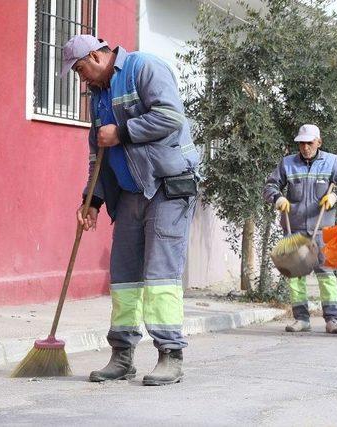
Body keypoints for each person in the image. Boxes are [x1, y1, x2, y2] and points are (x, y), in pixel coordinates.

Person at [61, 35, 199, 385]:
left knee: (160, 275)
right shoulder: (98, 96)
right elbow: (99, 155)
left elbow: (170, 117)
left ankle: (170, 355)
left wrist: (122, 132)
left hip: (168, 187)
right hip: (129, 193)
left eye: (80, 69)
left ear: (95, 55)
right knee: (123, 278)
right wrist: (92, 201)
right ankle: (122, 356)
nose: (82, 79)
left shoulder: (144, 67)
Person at [263, 124, 337, 334]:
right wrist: (278, 198)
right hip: (294, 228)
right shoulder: (287, 163)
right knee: (295, 275)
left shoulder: (333, 162)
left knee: (325, 274)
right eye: (301, 143)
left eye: (309, 143)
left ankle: (332, 319)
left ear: (319, 142)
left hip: (323, 230)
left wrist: (336, 196)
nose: (305, 147)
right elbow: (269, 186)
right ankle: (301, 319)